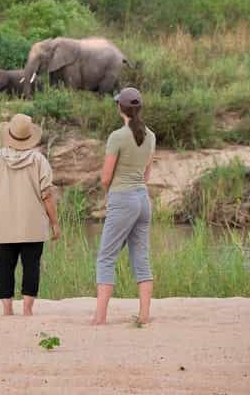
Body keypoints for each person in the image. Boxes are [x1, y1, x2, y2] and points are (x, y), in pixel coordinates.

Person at [0, 113, 59, 316]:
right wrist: (54, 223)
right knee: (31, 266)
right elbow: (47, 195)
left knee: (5, 266)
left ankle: (7, 310)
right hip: (33, 224)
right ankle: (28, 310)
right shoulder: (39, 160)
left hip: (3, 224)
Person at [91, 87, 156, 326]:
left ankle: (100, 317)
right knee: (141, 256)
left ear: (120, 108)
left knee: (106, 257)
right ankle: (144, 315)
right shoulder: (151, 136)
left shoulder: (117, 136)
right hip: (142, 197)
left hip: (122, 197)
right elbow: (147, 172)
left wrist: (110, 196)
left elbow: (106, 176)